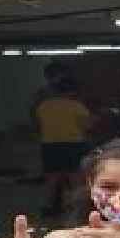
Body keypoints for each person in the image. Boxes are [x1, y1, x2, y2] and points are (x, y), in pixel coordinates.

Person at [34, 77, 92, 217]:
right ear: (73, 92)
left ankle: (47, 207)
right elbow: (87, 126)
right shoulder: (77, 106)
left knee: (52, 178)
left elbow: (38, 125)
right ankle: (77, 207)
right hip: (73, 144)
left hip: (49, 145)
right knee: (75, 178)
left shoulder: (43, 107)